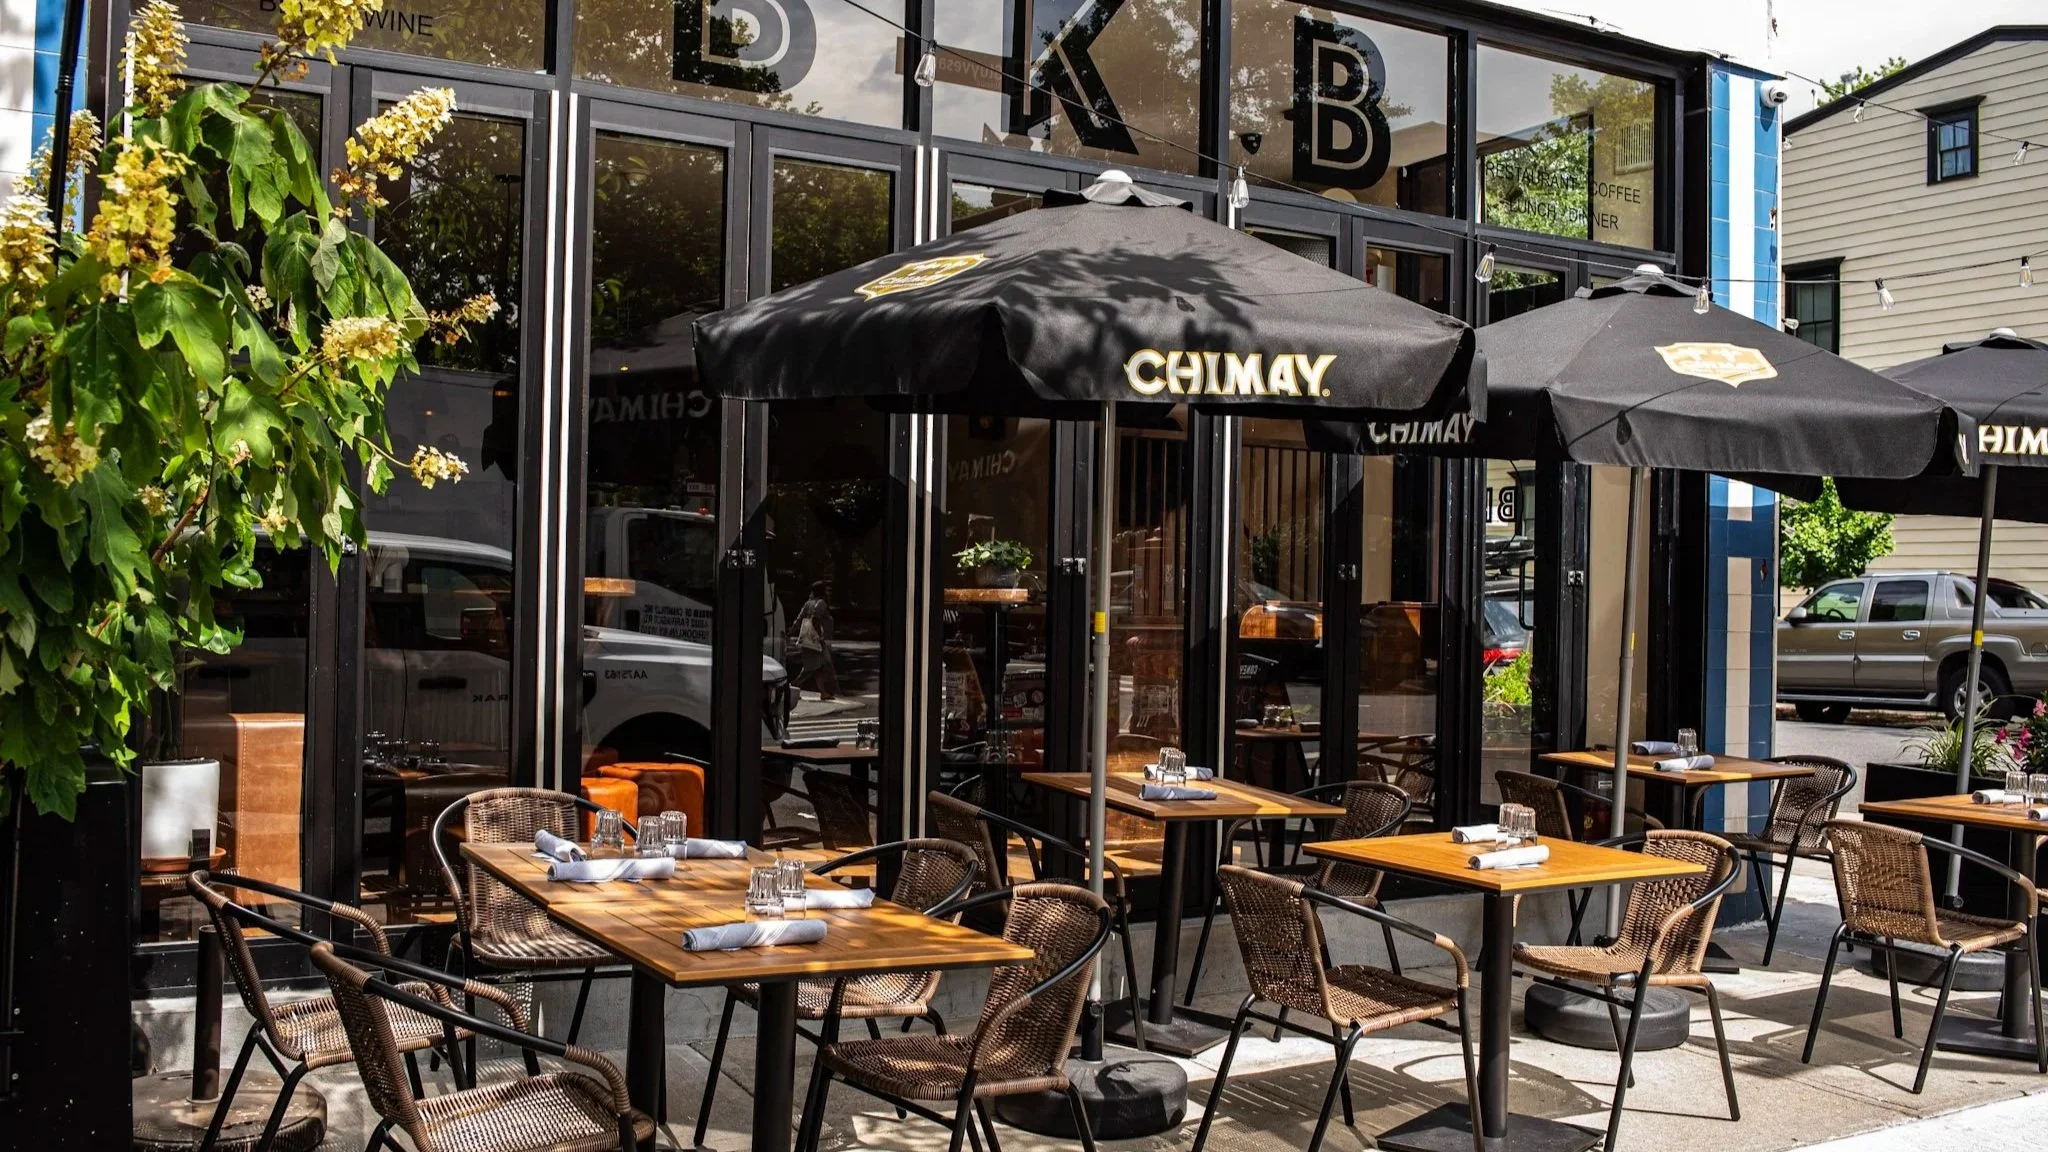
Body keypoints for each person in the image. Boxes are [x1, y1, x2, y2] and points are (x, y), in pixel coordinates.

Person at [790, 581, 839, 701]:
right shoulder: (821, 603)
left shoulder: (808, 603)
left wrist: (790, 632)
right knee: (812, 667)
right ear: (822, 591)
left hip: (807, 639)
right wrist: (820, 636)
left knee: (817, 666)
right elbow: (815, 619)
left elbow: (799, 619)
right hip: (816, 641)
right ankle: (794, 685)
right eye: (826, 589)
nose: (828, 592)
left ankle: (823, 692)